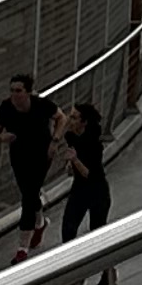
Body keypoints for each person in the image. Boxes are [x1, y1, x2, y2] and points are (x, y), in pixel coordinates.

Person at [0, 73, 53, 256]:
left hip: (41, 155)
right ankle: (40, 223)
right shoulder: (6, 107)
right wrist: (2, 137)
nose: (14, 94)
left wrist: (56, 141)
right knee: (29, 192)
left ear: (28, 92)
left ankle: (22, 247)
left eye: (18, 91)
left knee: (28, 196)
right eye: (12, 90)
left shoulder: (40, 105)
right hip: (19, 156)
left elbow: (61, 118)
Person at [55, 96, 111, 242]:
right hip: (79, 188)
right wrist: (70, 165)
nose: (69, 120)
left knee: (97, 232)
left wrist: (75, 160)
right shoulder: (71, 137)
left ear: (84, 122)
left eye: (74, 118)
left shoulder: (94, 145)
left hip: (97, 190)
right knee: (68, 230)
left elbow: (90, 175)